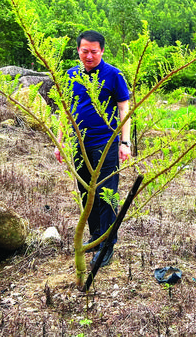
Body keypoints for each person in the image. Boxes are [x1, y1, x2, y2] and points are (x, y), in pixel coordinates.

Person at [61, 30, 131, 268]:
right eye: (84, 51)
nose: (88, 56)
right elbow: (66, 110)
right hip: (79, 141)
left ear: (101, 51)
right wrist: (61, 141)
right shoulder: (72, 74)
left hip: (106, 141)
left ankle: (107, 244)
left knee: (105, 192)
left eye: (93, 51)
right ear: (78, 51)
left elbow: (124, 109)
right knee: (85, 190)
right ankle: (95, 235)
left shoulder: (113, 75)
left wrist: (125, 142)